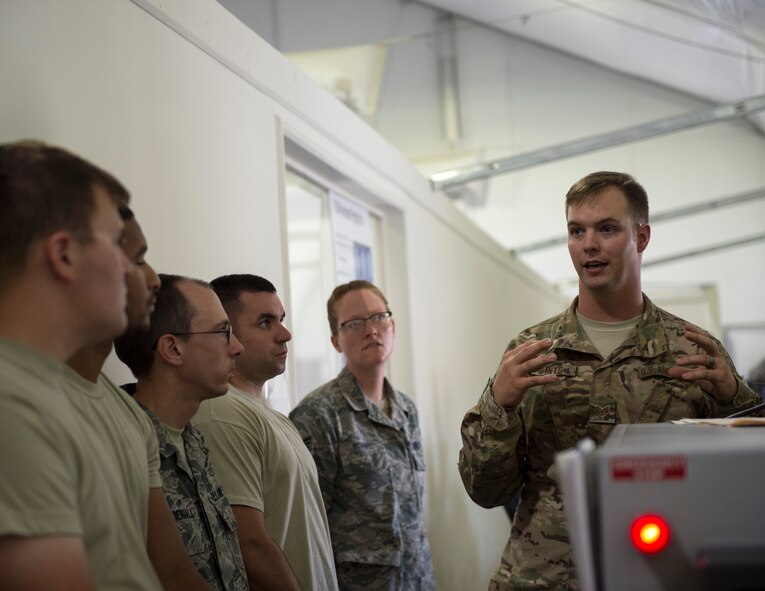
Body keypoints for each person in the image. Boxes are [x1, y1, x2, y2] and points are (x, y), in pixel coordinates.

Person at [458, 171, 761, 591]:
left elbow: (746, 486)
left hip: (661, 573)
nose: (589, 244)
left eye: (607, 229)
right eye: (576, 230)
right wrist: (498, 405)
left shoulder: (692, 350)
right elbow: (485, 491)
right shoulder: (531, 350)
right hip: (542, 578)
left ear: (642, 236)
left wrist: (733, 399)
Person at [0, 140, 165, 590]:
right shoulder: (11, 406)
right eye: (116, 243)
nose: (140, 274)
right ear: (64, 254)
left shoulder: (43, 392)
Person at [68, 206, 213, 591]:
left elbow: (175, 573)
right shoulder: (23, 401)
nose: (152, 279)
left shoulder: (127, 415)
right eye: (137, 259)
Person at [192, 274, 338, 591]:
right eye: (265, 323)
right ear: (225, 334)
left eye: (281, 320)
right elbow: (249, 544)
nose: (285, 334)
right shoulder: (223, 414)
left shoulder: (268, 415)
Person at [289, 280, 435, 591]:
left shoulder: (406, 409)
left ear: (392, 326)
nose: (371, 330)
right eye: (354, 323)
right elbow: (309, 527)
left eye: (379, 318)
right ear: (336, 341)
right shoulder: (318, 415)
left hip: (417, 578)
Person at [115, 274, 249, 591]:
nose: (237, 347)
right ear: (173, 349)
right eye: (223, 332)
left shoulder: (192, 438)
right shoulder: (122, 448)